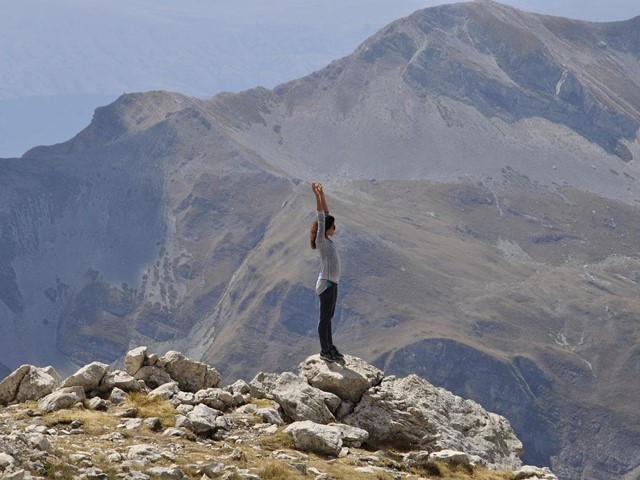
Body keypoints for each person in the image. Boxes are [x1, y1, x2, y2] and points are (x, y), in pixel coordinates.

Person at [310, 182, 345, 363]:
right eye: (333, 227)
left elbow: (326, 215)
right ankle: (324, 350)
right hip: (327, 283)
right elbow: (321, 217)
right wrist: (316, 196)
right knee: (324, 318)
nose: (335, 229)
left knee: (329, 317)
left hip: (333, 282)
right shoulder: (322, 241)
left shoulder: (327, 241)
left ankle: (330, 347)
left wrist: (322, 194)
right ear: (327, 229)